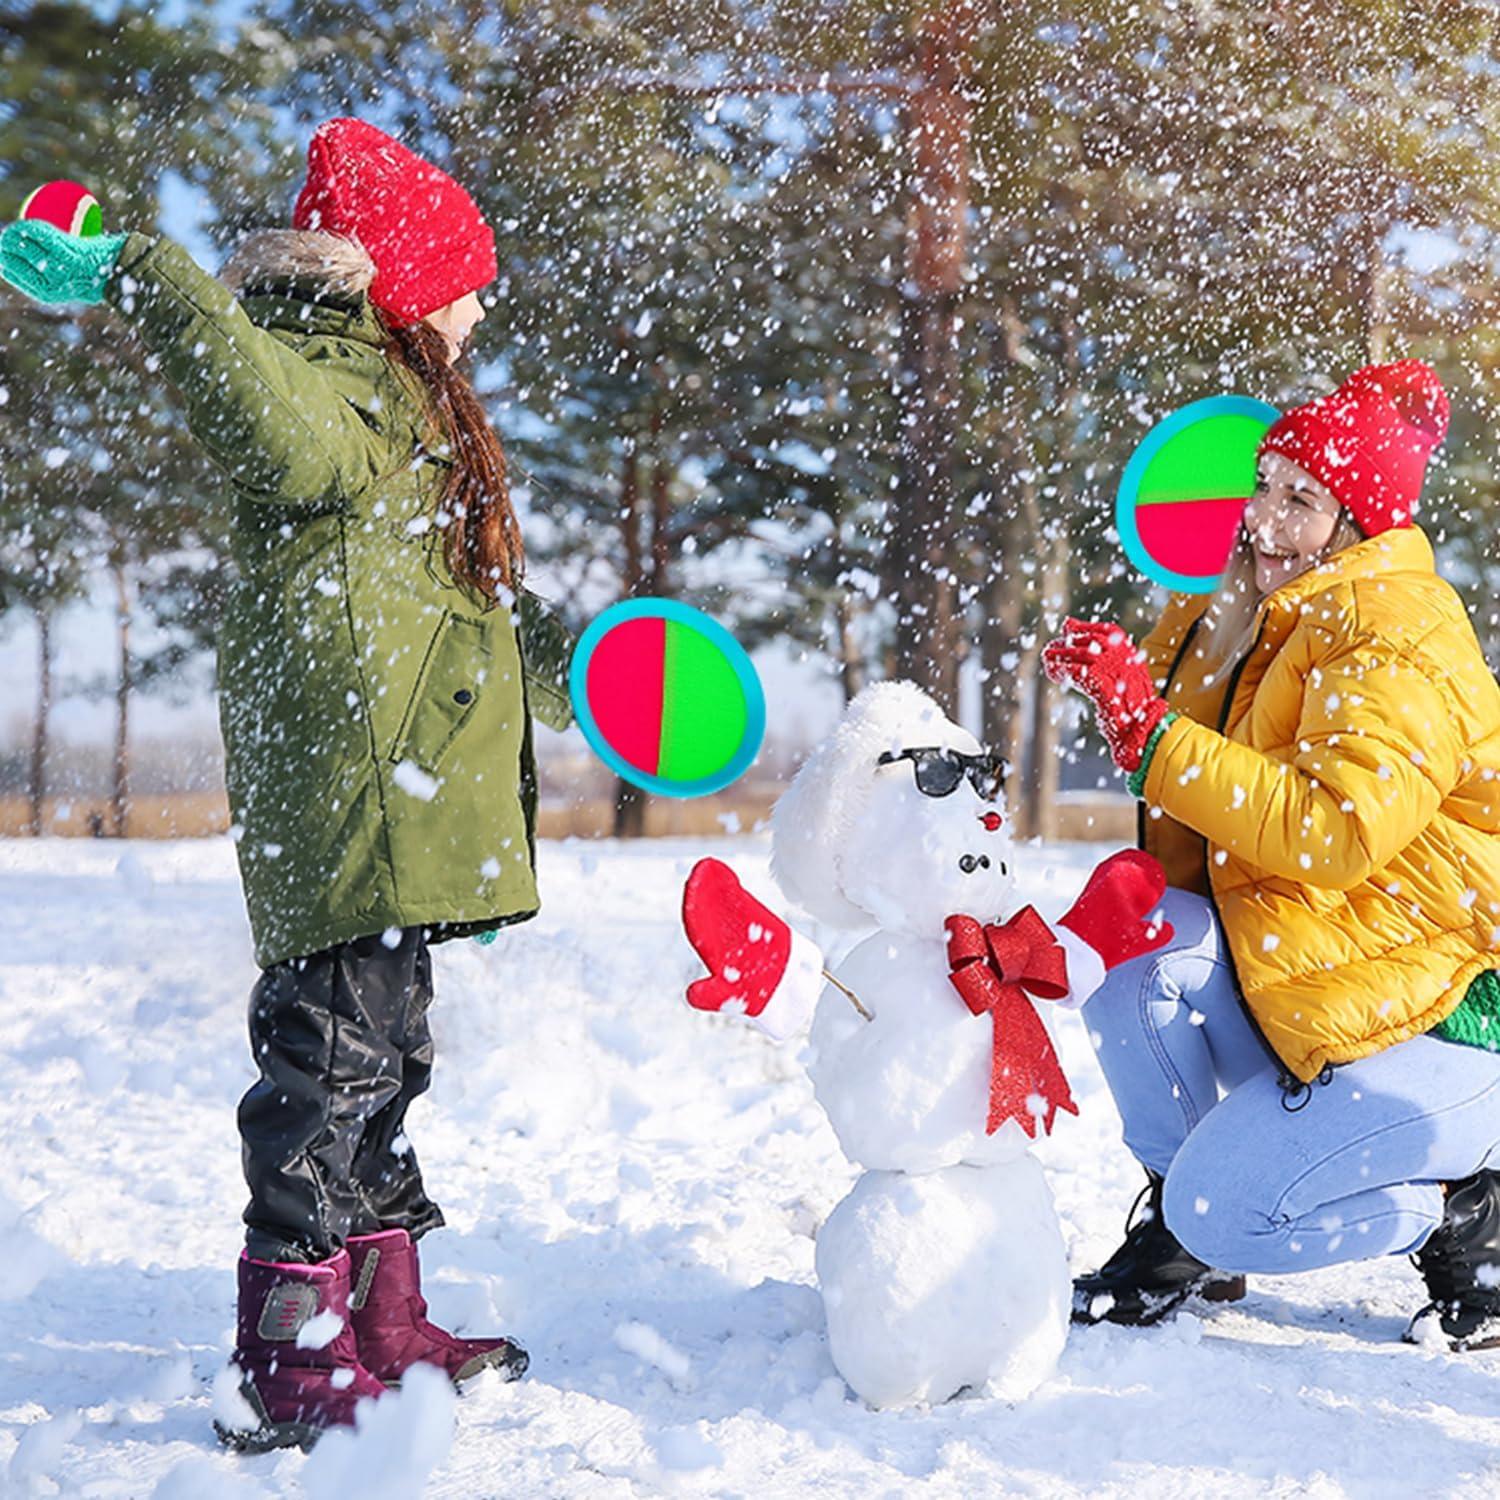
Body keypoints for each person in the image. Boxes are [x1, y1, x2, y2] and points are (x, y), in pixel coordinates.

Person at [0, 117, 576, 1447]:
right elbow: (254, 407)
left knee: (385, 1065)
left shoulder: (410, 418)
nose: (476, 319)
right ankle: (289, 1346)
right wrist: (145, 265)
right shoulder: (326, 387)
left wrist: (593, 665)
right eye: (463, 294)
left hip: (407, 802)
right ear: (400, 291)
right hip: (353, 797)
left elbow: (477, 610)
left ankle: (383, 1318)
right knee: (322, 1081)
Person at [1041, 360, 1500, 1351]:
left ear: (1359, 523)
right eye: (1261, 487)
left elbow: (1331, 830)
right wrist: (1149, 691)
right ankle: (1183, 1230)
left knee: (1227, 1208)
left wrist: (1152, 738)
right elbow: (1198, 831)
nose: (1263, 518)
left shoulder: (1396, 634)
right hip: (1336, 981)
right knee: (1134, 953)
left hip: (1439, 1014)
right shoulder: (1292, 616)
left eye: (1300, 498)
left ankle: (1467, 1202)